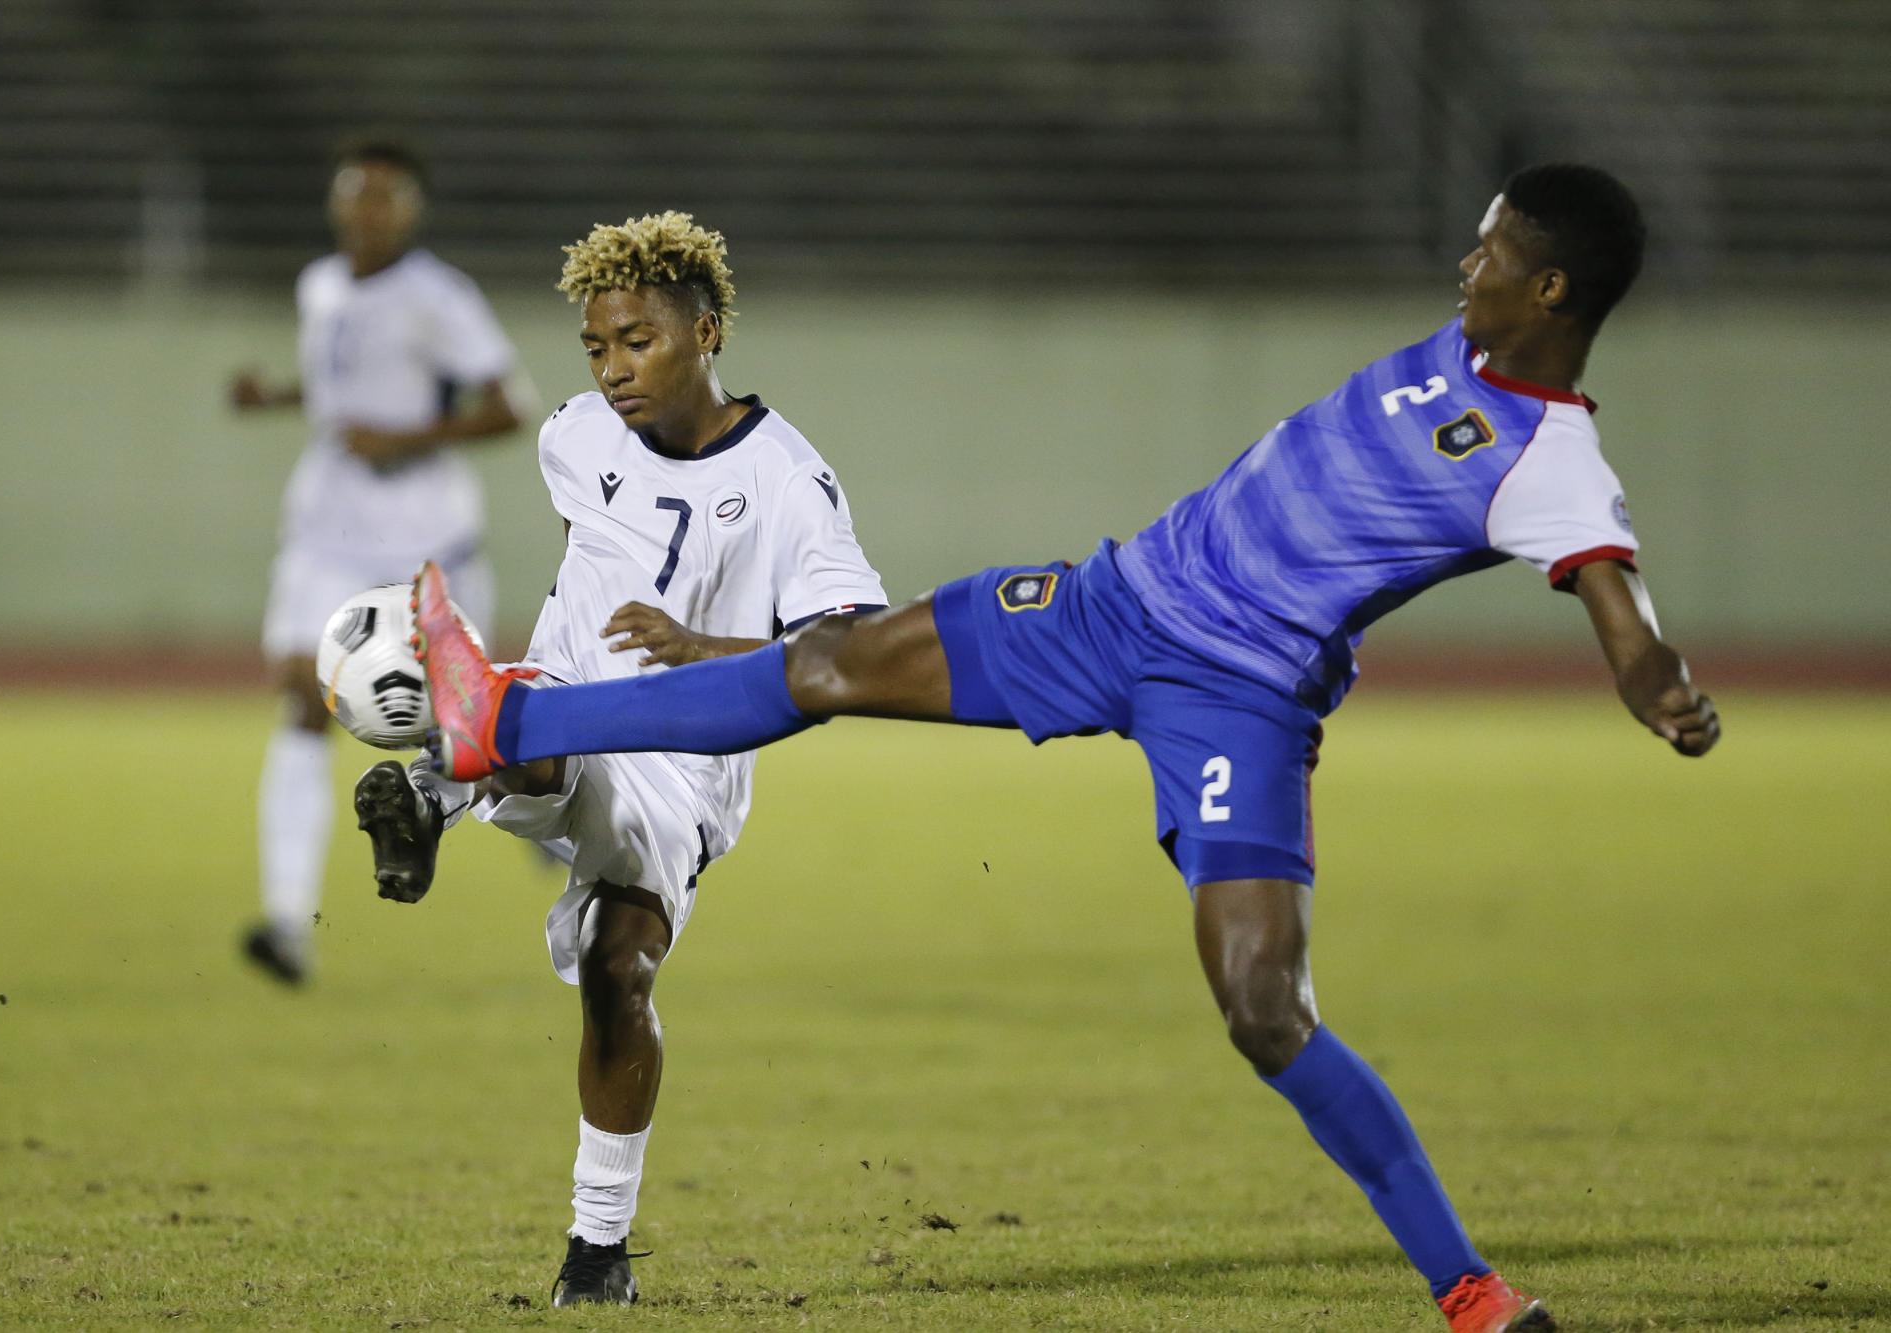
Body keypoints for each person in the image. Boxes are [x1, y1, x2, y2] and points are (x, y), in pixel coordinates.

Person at [408, 165, 1721, 1332]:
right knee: (823, 668)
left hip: (1242, 703)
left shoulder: (1552, 462)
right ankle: (506, 722)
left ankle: (1473, 1294)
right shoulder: (1466, 348)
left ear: (1548, 285)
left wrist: (1661, 688)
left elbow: (1619, 600)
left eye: (1490, 252)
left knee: (1265, 1010)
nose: (1465, 265)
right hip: (1110, 607)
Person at [354, 211, 887, 1306]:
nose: (611, 371)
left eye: (636, 341)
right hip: (562, 710)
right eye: (596, 348)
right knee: (546, 718)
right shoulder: (573, 438)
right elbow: (582, 568)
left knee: (617, 971)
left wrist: (704, 649)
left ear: (707, 329)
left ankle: (597, 1252)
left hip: (687, 768)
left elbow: (854, 654)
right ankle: (447, 772)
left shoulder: (789, 482)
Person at [229, 137, 528, 984]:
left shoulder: (439, 296)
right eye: (354, 193)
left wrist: (407, 439)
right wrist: (278, 398)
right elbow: (344, 386)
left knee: (468, 728)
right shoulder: (319, 285)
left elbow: (511, 407)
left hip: (424, 534)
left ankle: (546, 818)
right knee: (299, 692)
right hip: (328, 524)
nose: (366, 210)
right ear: (334, 201)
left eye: (385, 197)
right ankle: (288, 922)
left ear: (412, 211)